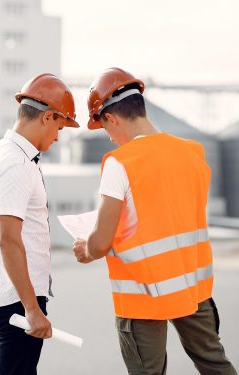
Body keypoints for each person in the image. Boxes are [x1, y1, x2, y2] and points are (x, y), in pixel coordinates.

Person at [73, 67, 237, 375]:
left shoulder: (120, 163)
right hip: (193, 286)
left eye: (105, 129)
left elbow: (100, 242)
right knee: (215, 364)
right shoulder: (193, 154)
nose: (109, 138)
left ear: (111, 118)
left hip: (141, 292)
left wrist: (87, 249)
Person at [0, 73, 79, 375]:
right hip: (17, 300)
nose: (58, 136)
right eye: (59, 127)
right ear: (48, 117)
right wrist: (32, 309)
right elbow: (8, 239)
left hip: (8, 292)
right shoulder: (16, 164)